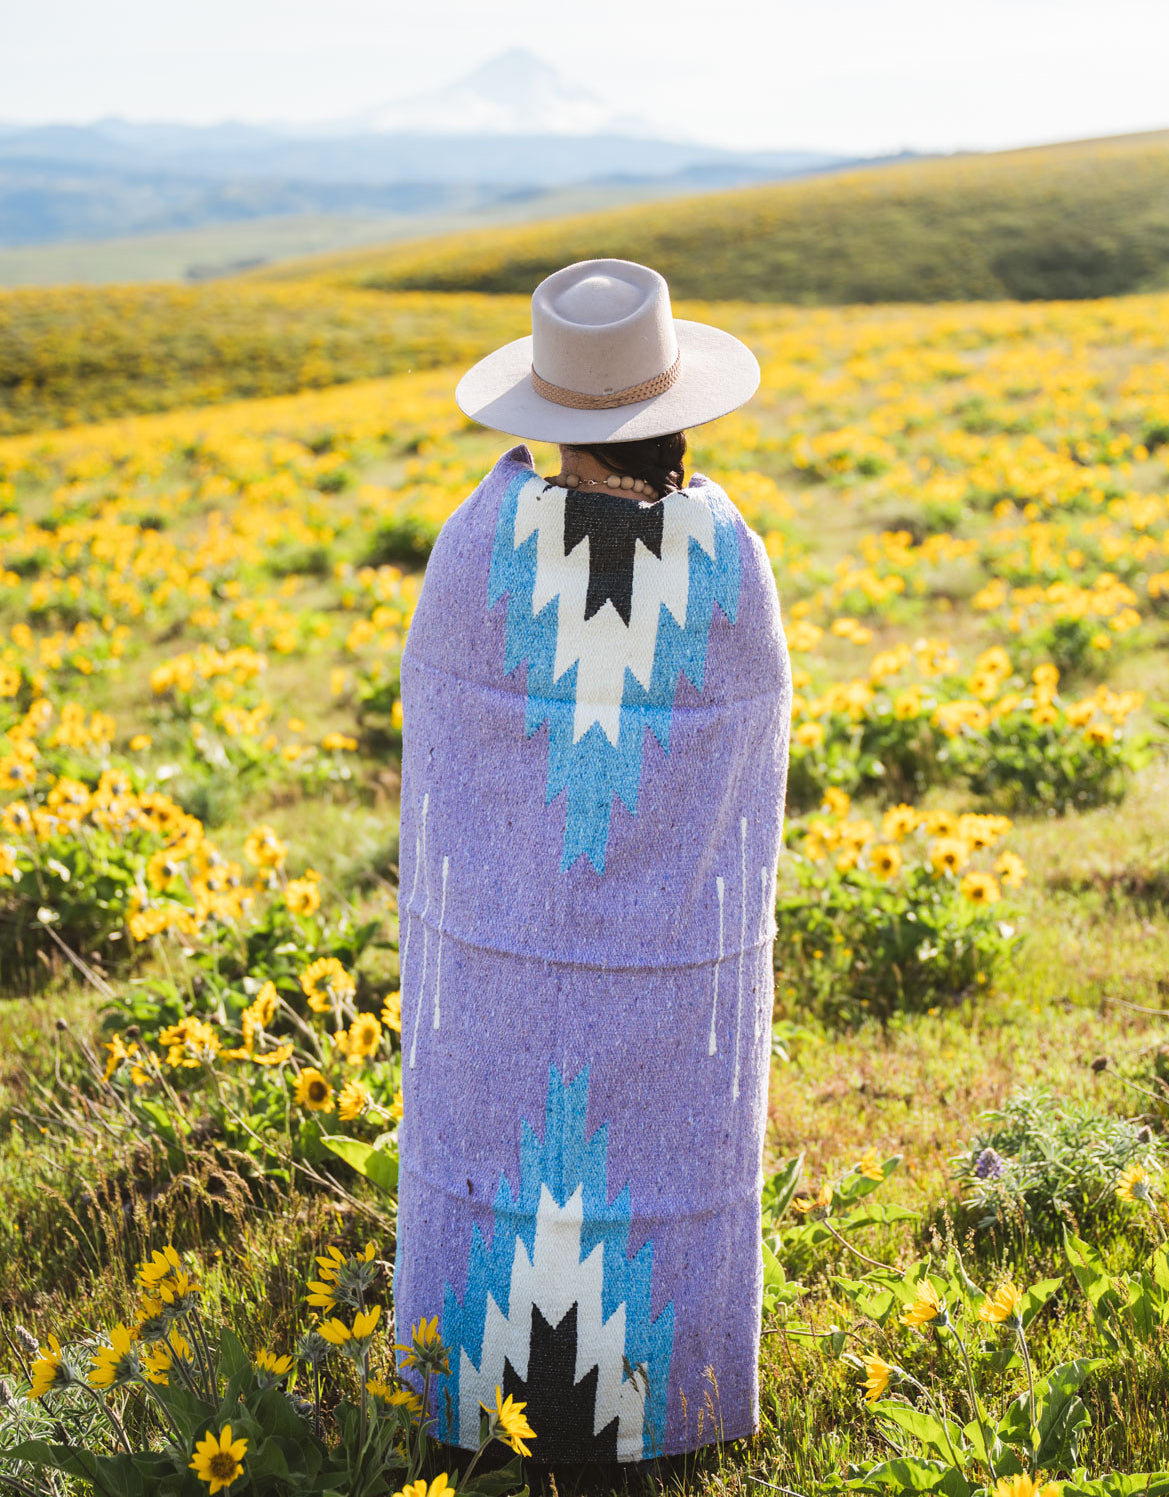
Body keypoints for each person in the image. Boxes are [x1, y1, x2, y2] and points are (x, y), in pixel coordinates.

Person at [393, 258, 791, 1466]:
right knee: (671, 1152)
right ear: (680, 413)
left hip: (502, 976)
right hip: (675, 973)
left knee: (495, 1154)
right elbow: (743, 768)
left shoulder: (475, 550)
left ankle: (483, 1391)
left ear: (547, 414)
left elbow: (449, 739)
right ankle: (664, 1403)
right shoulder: (728, 561)